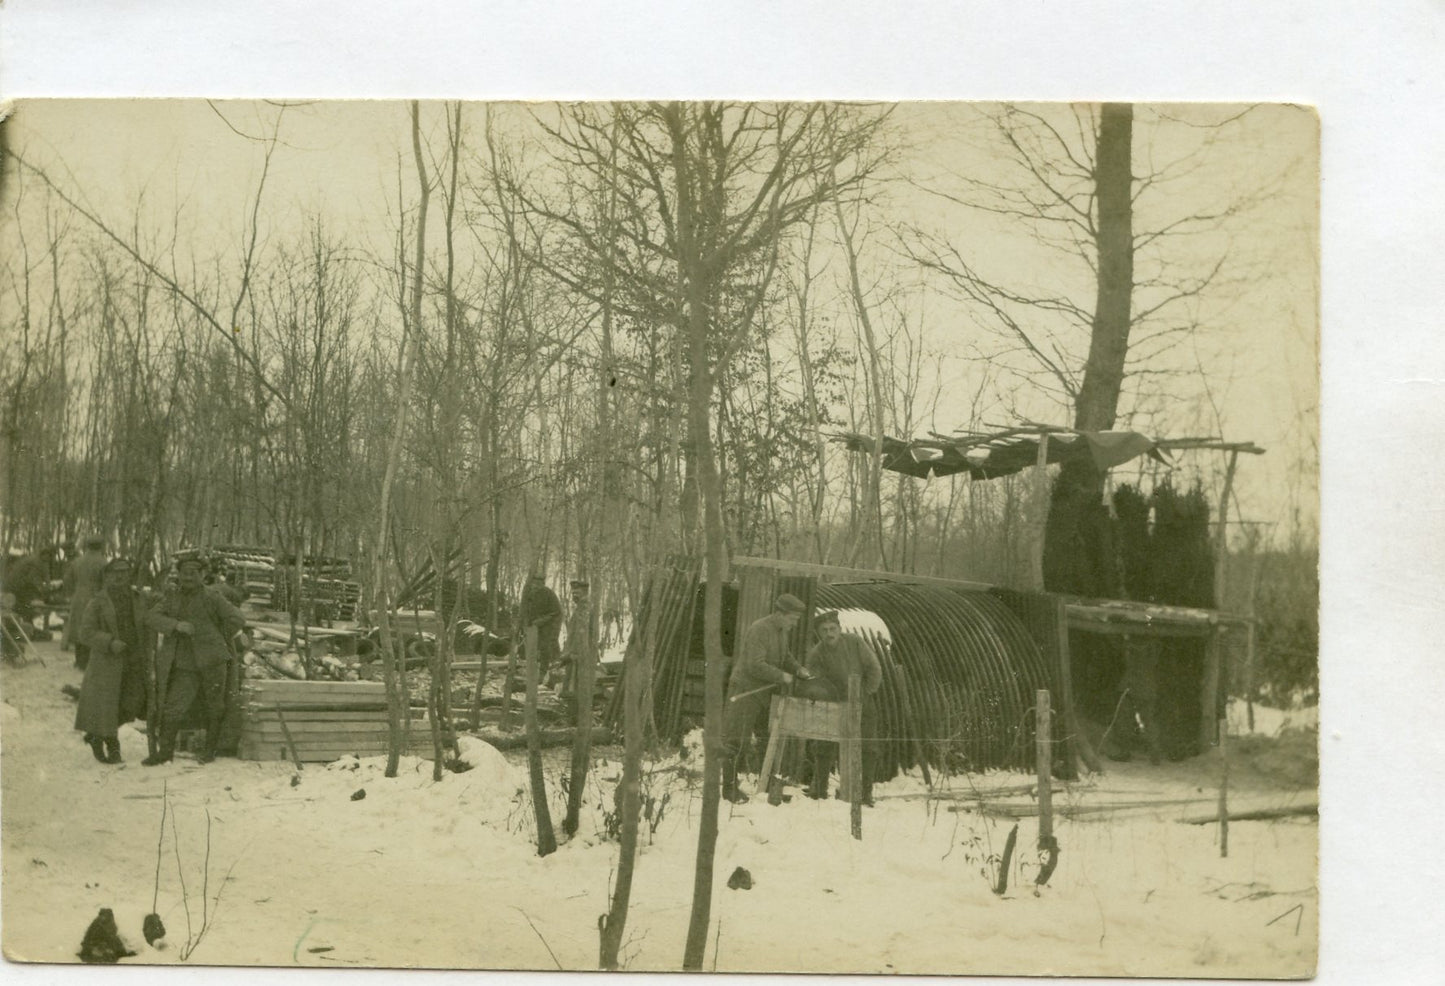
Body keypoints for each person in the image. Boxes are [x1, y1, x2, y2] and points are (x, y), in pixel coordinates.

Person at [143, 557, 249, 766]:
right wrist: (176, 625)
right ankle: (165, 753)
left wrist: (219, 635)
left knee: (215, 706)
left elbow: (238, 619)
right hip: (185, 663)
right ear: (178, 575)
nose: (188, 578)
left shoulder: (213, 597)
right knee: (174, 706)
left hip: (213, 661)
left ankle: (210, 752)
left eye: (194, 573)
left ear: (202, 576)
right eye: (184, 573)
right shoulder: (172, 596)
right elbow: (151, 617)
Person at [720, 592, 814, 804]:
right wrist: (781, 675)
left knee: (764, 738)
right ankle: (728, 789)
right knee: (736, 740)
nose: (795, 624)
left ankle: (764, 783)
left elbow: (784, 655)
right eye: (792, 619)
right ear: (780, 614)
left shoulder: (781, 631)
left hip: (761, 694)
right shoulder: (760, 629)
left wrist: (798, 669)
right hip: (745, 691)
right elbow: (755, 664)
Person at [74, 559, 153, 764]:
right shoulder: (98, 601)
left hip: (134, 660)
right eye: (114, 573)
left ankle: (96, 734)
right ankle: (112, 746)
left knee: (132, 703)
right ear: (107, 576)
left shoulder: (139, 598)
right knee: (108, 706)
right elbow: (85, 633)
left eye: (124, 572)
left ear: (130, 576)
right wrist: (109, 642)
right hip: (107, 663)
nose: (119, 577)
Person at [801, 609, 883, 803]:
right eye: (824, 630)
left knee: (868, 747)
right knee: (823, 745)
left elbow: (874, 668)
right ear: (819, 633)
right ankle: (819, 790)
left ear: (839, 628)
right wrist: (826, 698)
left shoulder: (854, 642)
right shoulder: (817, 653)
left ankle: (865, 793)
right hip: (834, 705)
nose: (829, 633)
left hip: (862, 702)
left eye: (832, 628)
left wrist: (866, 693)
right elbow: (814, 680)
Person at [64, 537, 108, 668]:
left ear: (87, 547)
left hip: (78, 597)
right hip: (95, 597)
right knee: (93, 627)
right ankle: (89, 662)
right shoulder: (103, 562)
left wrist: (72, 593)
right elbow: (106, 583)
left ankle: (79, 660)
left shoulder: (77, 561)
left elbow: (67, 580)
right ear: (100, 547)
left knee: (79, 626)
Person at [519, 572, 563, 686]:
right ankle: (533, 673)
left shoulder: (549, 594)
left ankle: (545, 673)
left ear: (543, 583)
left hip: (547, 626)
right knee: (531, 648)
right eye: (535, 583)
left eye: (539, 583)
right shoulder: (529, 594)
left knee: (546, 648)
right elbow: (526, 610)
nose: (536, 585)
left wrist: (540, 621)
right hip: (533, 627)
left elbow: (556, 612)